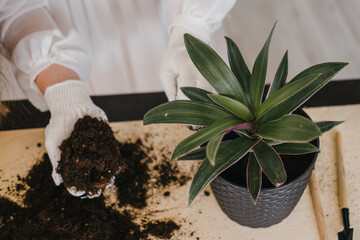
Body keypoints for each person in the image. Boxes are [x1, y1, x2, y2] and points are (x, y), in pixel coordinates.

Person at [0, 0, 236, 197]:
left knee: (189, 85)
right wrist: (63, 88)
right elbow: (14, 7)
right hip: (67, 30)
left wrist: (191, 26)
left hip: (170, 14)